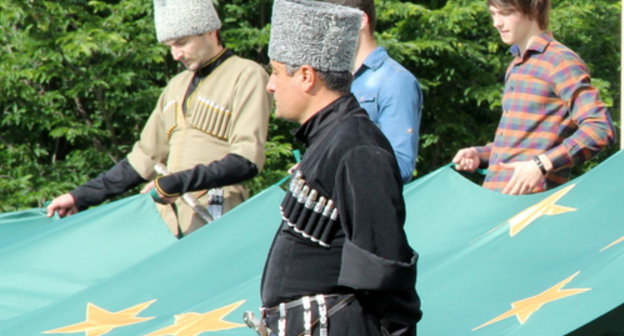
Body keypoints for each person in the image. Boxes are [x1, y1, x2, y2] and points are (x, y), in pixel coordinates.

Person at [255, 0, 421, 335]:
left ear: (306, 76)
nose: (270, 85)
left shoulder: (357, 147)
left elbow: (384, 270)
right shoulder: (328, 138)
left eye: (275, 71)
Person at [47, 0, 271, 237]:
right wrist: (80, 196)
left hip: (218, 215)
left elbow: (247, 161)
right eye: (170, 46)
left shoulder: (247, 75)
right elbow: (142, 159)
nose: (176, 55)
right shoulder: (175, 86)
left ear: (210, 30)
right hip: (167, 223)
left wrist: (178, 182)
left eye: (181, 43)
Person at [453, 0, 615, 195]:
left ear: (533, 10)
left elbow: (600, 128)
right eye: (493, 14)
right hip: (496, 197)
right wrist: (481, 154)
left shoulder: (560, 60)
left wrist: (542, 164)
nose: (496, 22)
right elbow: (521, 142)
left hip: (532, 207)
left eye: (505, 13)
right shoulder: (517, 64)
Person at [322, 0, 422, 183]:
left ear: (361, 20)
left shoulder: (395, 80)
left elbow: (401, 165)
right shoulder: (333, 80)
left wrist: (332, 169)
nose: (324, 32)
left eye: (333, 21)